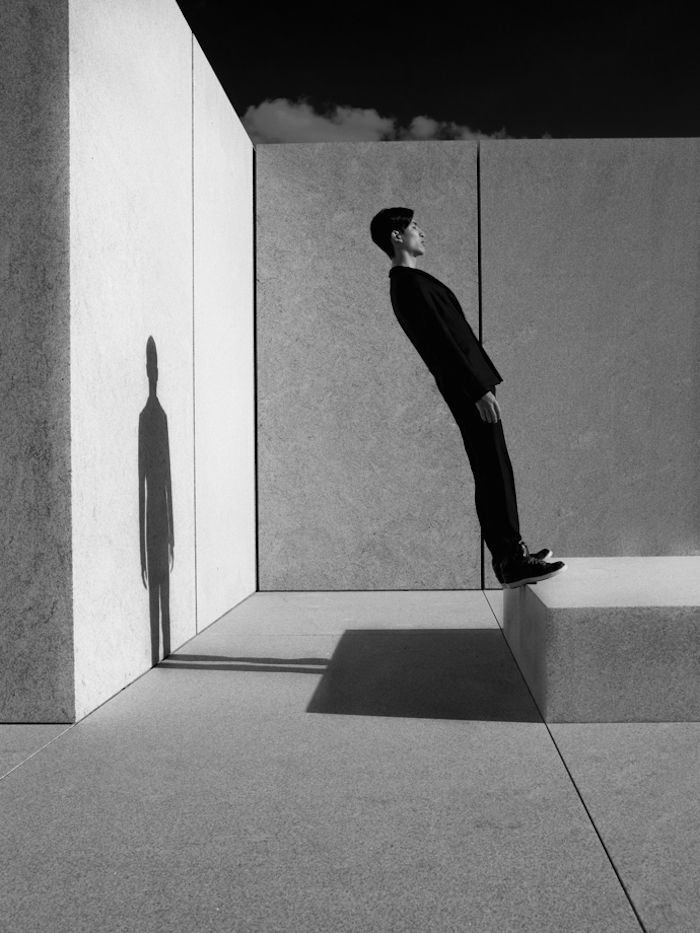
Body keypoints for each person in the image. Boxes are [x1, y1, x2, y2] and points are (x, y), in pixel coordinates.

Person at [369, 206, 566, 588]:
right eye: (414, 227)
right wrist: (475, 389)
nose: (421, 232)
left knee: (495, 467)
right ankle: (512, 559)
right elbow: (441, 345)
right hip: (468, 387)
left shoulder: (412, 281)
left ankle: (512, 554)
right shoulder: (407, 284)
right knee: (492, 469)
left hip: (472, 385)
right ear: (396, 237)